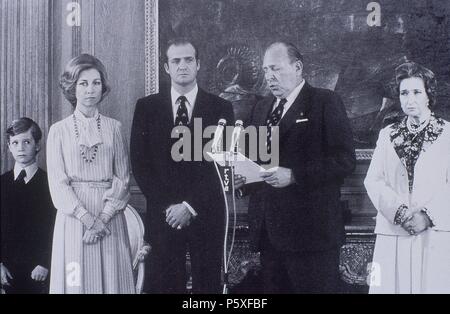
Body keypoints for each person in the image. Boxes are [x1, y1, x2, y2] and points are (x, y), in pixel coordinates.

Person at [234, 42, 356, 293]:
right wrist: (242, 180)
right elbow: (258, 162)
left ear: (298, 67)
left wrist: (294, 175)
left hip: (312, 237)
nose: (269, 76)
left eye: (276, 69)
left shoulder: (324, 101)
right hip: (269, 234)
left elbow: (344, 160)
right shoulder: (261, 108)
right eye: (266, 70)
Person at [130, 38, 234, 293]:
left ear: (198, 64)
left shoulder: (221, 108)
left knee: (207, 287)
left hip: (206, 214)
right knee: (164, 285)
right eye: (176, 61)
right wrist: (171, 207)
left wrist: (189, 206)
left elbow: (222, 165)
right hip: (163, 216)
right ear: (166, 67)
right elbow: (140, 164)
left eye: (188, 60)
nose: (182, 66)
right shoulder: (147, 108)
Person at [47, 54, 135, 294]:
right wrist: (88, 220)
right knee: (75, 281)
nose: (90, 90)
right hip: (74, 219)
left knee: (111, 280)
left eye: (96, 83)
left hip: (110, 218)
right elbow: (58, 183)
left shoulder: (114, 127)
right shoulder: (58, 131)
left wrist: (102, 220)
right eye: (83, 83)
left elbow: (123, 179)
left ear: (102, 87)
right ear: (72, 87)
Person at [364, 62, 450, 294]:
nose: (409, 99)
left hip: (434, 232)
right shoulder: (388, 134)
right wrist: (400, 213)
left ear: (428, 95)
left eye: (416, 92)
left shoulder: (447, 134)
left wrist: (427, 216)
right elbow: (373, 180)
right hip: (394, 230)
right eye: (404, 93)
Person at [1, 118, 56, 294]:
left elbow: (54, 228)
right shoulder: (2, 183)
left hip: (39, 271)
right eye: (15, 142)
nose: (21, 148)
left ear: (37, 145)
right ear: (9, 146)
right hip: (7, 271)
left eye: (26, 142)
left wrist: (44, 262)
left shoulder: (50, 184)